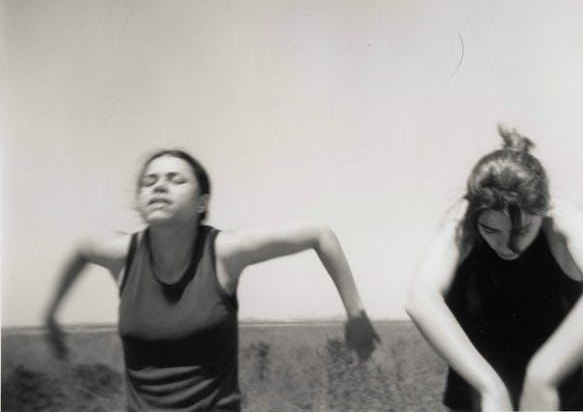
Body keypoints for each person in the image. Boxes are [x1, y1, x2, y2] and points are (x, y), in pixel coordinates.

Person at [44, 149, 379, 411]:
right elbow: (81, 249)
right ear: (140, 202)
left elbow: (320, 234)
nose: (160, 185)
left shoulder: (222, 253)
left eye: (176, 179)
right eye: (150, 181)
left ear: (202, 203)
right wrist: (51, 315)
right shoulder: (123, 254)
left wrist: (356, 314)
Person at [405, 126, 583, 411]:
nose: (506, 245)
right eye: (490, 229)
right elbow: (419, 298)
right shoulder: (460, 224)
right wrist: (489, 387)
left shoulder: (562, 223)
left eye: (521, 230)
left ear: (542, 209)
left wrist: (542, 375)